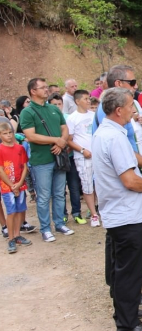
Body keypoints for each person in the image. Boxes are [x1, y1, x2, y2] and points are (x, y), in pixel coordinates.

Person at [93, 87, 142, 331]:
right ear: (118, 110)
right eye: (131, 106)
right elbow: (130, 181)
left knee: (118, 268)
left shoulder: (106, 132)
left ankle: (127, 309)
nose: (134, 110)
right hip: (125, 214)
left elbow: (127, 162)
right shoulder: (113, 137)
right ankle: (127, 324)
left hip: (117, 212)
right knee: (128, 270)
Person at [20, 78, 75, 242]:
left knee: (59, 194)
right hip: (42, 161)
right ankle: (45, 228)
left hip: (59, 157)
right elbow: (30, 135)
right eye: (42, 87)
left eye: (46, 86)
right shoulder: (27, 112)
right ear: (33, 91)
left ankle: (59, 224)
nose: (46, 89)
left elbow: (64, 129)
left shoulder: (54, 109)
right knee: (43, 196)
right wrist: (55, 140)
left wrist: (62, 142)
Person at [48, 93, 86, 225]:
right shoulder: (48, 119)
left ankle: (76, 213)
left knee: (74, 186)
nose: (58, 106)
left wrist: (66, 147)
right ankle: (62, 214)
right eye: (54, 104)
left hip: (70, 157)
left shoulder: (68, 118)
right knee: (59, 189)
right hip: (55, 157)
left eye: (59, 104)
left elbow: (72, 137)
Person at [66, 90, 100, 227]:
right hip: (82, 157)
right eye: (85, 99)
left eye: (89, 98)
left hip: (97, 155)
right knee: (87, 185)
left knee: (100, 183)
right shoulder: (72, 118)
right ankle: (94, 215)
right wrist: (82, 150)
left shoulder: (94, 115)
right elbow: (69, 140)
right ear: (77, 101)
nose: (88, 101)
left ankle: (100, 208)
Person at [0, 122, 32, 254]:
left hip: (20, 184)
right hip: (7, 187)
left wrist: (19, 184)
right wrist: (11, 185)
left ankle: (17, 234)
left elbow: (25, 166)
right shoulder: (1, 149)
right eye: (5, 133)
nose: (8, 136)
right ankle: (11, 238)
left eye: (10, 133)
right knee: (11, 212)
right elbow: (1, 170)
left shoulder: (20, 148)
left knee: (20, 210)